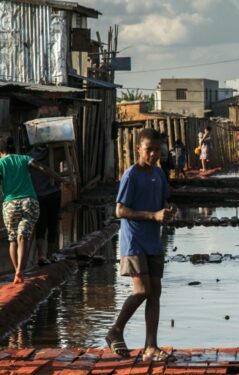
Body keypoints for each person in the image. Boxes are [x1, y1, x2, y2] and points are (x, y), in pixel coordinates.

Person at [107, 128, 177, 361]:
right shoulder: (131, 175)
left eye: (158, 150)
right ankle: (116, 330)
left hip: (153, 242)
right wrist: (153, 216)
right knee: (143, 290)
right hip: (134, 241)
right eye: (149, 150)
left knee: (155, 293)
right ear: (139, 149)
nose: (154, 154)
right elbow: (120, 210)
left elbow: (164, 200)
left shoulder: (158, 174)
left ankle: (151, 347)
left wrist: (168, 211)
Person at [0, 137, 64, 284]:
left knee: (13, 239)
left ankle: (17, 272)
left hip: (10, 205)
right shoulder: (24, 158)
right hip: (29, 202)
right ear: (14, 149)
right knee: (23, 237)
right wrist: (59, 178)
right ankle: (20, 269)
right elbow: (42, 168)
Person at [28, 144, 61, 267]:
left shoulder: (28, 155)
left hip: (38, 195)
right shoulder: (53, 152)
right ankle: (50, 255)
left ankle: (41, 255)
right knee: (52, 224)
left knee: (41, 225)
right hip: (52, 193)